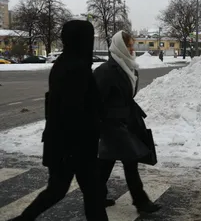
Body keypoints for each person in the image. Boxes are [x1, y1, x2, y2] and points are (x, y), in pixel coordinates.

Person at [9, 20, 108, 221]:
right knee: (65, 191)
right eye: (89, 38)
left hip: (70, 144)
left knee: (90, 192)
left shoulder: (68, 62)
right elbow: (73, 111)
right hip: (72, 146)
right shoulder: (76, 68)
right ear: (81, 40)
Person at [94, 31, 161, 214]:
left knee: (106, 162)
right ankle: (141, 202)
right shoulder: (105, 71)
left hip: (127, 122)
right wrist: (101, 124)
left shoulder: (131, 68)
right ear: (120, 47)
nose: (133, 49)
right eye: (129, 46)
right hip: (111, 125)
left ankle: (95, 197)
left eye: (132, 45)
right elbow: (95, 100)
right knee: (130, 161)